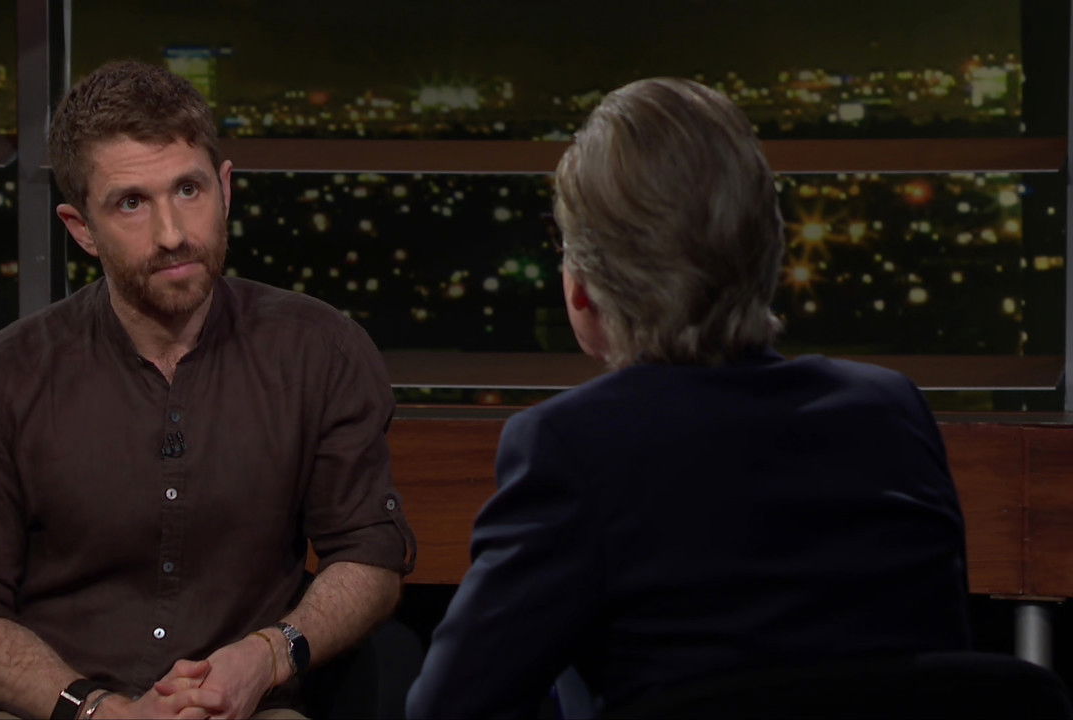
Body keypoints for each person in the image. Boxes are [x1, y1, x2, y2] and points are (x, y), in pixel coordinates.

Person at [405, 78, 970, 718]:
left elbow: (447, 709)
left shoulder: (574, 448)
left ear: (584, 285)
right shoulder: (891, 413)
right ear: (768, 246)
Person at [0, 60, 415, 719]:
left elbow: (370, 555)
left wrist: (269, 656)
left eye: (188, 189)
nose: (173, 234)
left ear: (225, 188)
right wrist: (100, 711)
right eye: (132, 203)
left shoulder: (320, 351)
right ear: (81, 228)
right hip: (50, 709)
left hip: (248, 706)